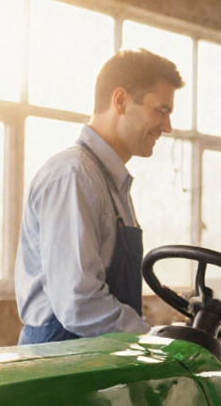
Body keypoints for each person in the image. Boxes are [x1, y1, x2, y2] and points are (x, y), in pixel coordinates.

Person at [15, 49, 183, 344]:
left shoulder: (110, 182)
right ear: (120, 100)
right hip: (60, 364)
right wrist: (151, 340)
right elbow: (77, 302)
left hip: (95, 357)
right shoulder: (74, 176)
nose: (167, 127)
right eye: (161, 111)